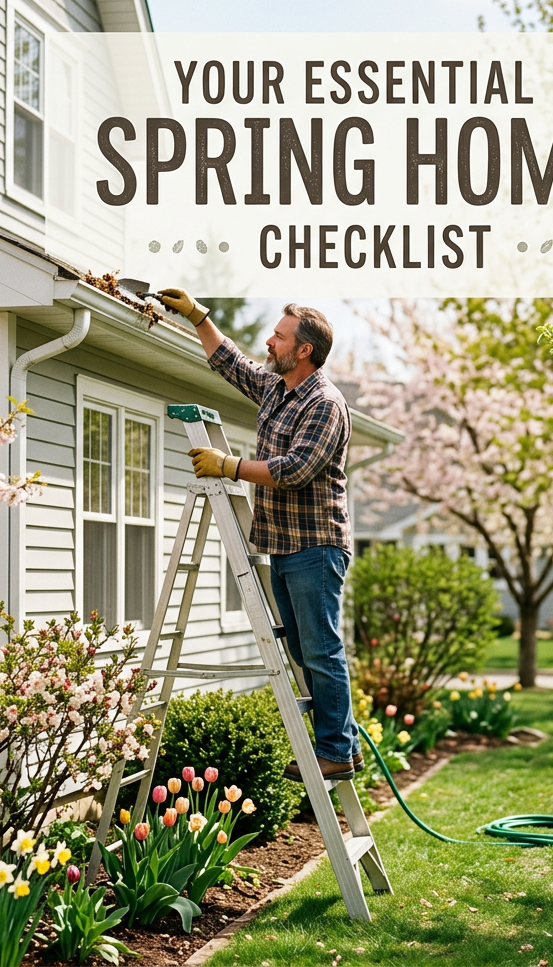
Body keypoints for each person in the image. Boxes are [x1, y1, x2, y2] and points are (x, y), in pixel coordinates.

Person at [154, 289, 362, 783]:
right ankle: (342, 748)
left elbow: (297, 469)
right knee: (304, 650)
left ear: (304, 350)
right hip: (284, 546)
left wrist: (230, 466)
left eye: (279, 336)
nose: (270, 343)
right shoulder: (276, 389)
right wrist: (197, 317)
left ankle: (336, 750)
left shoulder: (324, 404)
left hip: (316, 546)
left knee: (321, 650)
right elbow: (232, 364)